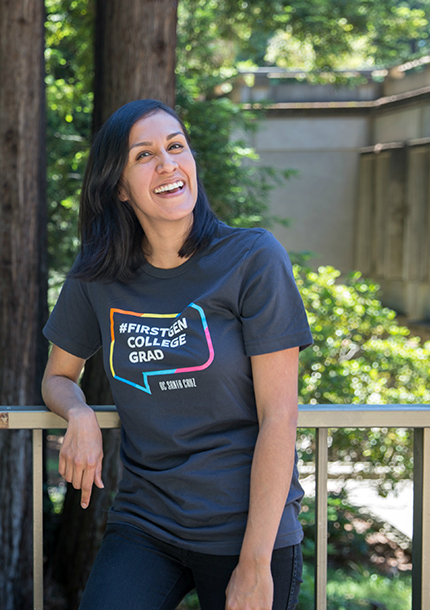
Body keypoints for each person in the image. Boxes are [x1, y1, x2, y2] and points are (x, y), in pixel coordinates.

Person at [41, 99, 311, 610]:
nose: (167, 163)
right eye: (144, 155)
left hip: (246, 526)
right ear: (119, 187)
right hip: (148, 520)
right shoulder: (98, 275)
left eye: (176, 146)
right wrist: (77, 412)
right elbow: (57, 375)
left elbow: (280, 417)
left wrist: (254, 564)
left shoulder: (253, 259)